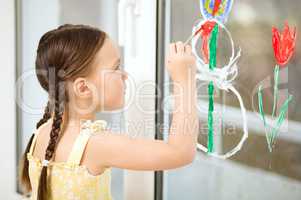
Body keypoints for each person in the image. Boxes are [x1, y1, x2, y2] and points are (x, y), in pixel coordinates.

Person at [19, 24, 198, 200]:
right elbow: (180, 152)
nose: (125, 75)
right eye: (116, 68)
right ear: (83, 88)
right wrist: (184, 79)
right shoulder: (95, 144)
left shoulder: (42, 132)